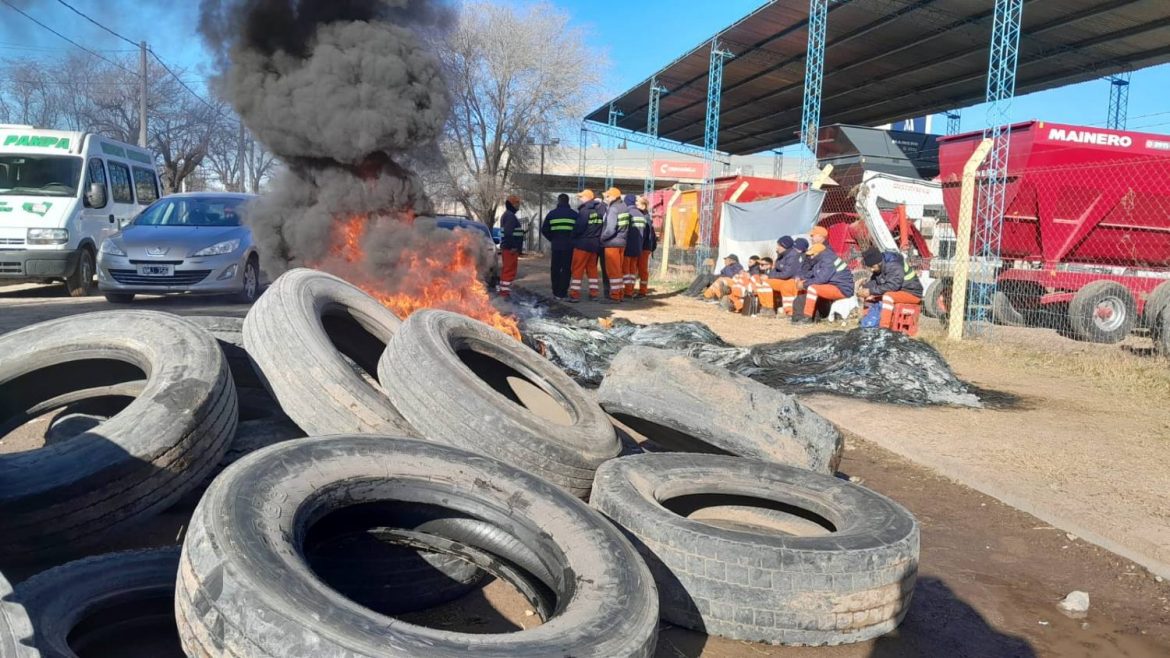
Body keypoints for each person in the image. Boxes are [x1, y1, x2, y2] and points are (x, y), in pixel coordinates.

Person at [795, 228, 854, 324]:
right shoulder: (821, 258)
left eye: (812, 255)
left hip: (842, 289)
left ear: (817, 253)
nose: (811, 257)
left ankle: (807, 317)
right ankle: (804, 315)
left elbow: (822, 278)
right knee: (810, 286)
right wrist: (802, 280)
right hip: (836, 285)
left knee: (812, 288)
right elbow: (814, 273)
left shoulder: (827, 259)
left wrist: (804, 284)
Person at [859, 247, 924, 328]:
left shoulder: (894, 265)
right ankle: (867, 324)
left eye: (872, 267)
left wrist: (870, 291)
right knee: (870, 297)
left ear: (878, 263)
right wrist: (864, 288)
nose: (872, 270)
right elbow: (875, 282)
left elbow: (893, 286)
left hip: (912, 293)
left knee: (888, 296)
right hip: (899, 291)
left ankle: (884, 328)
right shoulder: (880, 266)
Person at [568, 189, 605, 302]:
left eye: (581, 197)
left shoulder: (585, 211)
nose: (580, 199)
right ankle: (594, 293)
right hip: (594, 245)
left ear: (587, 198)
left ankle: (574, 294)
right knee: (592, 269)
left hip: (582, 244)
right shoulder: (599, 211)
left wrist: (572, 238)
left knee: (577, 269)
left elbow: (579, 228)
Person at [540, 193, 577, 299]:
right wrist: (572, 240)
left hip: (556, 246)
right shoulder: (574, 215)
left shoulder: (552, 214)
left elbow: (544, 230)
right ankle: (563, 292)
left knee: (555, 269)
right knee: (566, 269)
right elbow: (578, 230)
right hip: (569, 247)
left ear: (558, 201)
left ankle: (555, 291)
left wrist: (553, 239)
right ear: (568, 201)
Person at [600, 187, 630, 303]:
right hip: (622, 243)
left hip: (611, 243)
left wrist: (602, 238)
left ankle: (614, 296)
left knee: (612, 271)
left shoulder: (613, 209)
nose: (606, 198)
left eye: (607, 196)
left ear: (613, 197)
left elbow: (610, 229)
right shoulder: (624, 207)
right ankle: (620, 294)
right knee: (618, 270)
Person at [765, 236, 803, 316]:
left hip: (792, 280)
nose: (777, 248)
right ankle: (768, 308)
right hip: (783, 280)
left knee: (786, 286)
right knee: (765, 283)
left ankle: (790, 312)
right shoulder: (781, 255)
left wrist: (771, 276)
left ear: (784, 246)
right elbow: (775, 269)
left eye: (779, 245)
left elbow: (786, 274)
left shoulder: (793, 256)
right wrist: (770, 276)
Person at [498, 194, 524, 298]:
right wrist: (513, 246)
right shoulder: (510, 216)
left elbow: (509, 232)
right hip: (510, 249)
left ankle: (504, 292)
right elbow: (508, 233)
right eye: (517, 203)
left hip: (508, 248)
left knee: (507, 270)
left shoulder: (507, 215)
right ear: (512, 204)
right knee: (509, 271)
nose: (519, 206)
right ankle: (504, 294)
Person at [622, 194, 645, 298]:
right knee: (632, 270)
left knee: (626, 270)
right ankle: (631, 289)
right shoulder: (641, 214)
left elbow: (624, 230)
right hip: (638, 247)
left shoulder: (627, 213)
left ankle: (627, 291)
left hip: (628, 246)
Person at [635, 195, 656, 297]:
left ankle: (642, 291)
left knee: (642, 269)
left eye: (637, 204)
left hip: (644, 247)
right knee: (639, 269)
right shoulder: (646, 216)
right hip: (643, 246)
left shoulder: (645, 218)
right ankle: (640, 290)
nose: (636, 205)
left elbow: (645, 235)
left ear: (643, 206)